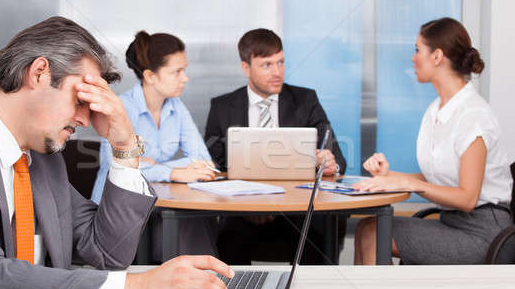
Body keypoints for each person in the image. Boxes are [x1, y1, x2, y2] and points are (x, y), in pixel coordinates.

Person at [0, 16, 233, 289]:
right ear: (39, 73)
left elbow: (106, 253)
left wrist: (125, 147)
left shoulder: (43, 155)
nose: (85, 120)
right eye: (80, 100)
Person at [353, 17, 513, 265]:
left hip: (483, 233)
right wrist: (390, 177)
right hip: (453, 222)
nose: (412, 58)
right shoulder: (436, 110)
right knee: (367, 228)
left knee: (372, 234)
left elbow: (467, 198)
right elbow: (441, 178)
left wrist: (407, 182)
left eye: (418, 50)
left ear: (437, 56)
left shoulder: (474, 117)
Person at [204, 28, 347, 265]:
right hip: (242, 212)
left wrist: (330, 162)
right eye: (266, 65)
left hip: (298, 211)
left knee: (320, 234)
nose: (277, 72)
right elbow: (213, 164)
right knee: (228, 239)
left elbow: (337, 157)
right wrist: (249, 207)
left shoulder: (306, 100)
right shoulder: (222, 106)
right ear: (245, 68)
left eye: (280, 63)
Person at [91, 31, 218, 262]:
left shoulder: (176, 107)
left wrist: (153, 165)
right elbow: (116, 164)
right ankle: (203, 287)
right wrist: (172, 172)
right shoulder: (122, 108)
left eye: (184, 70)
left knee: (193, 220)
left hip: (157, 206)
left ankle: (205, 288)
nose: (185, 78)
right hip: (119, 211)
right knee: (185, 227)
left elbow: (202, 159)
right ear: (150, 76)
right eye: (176, 71)